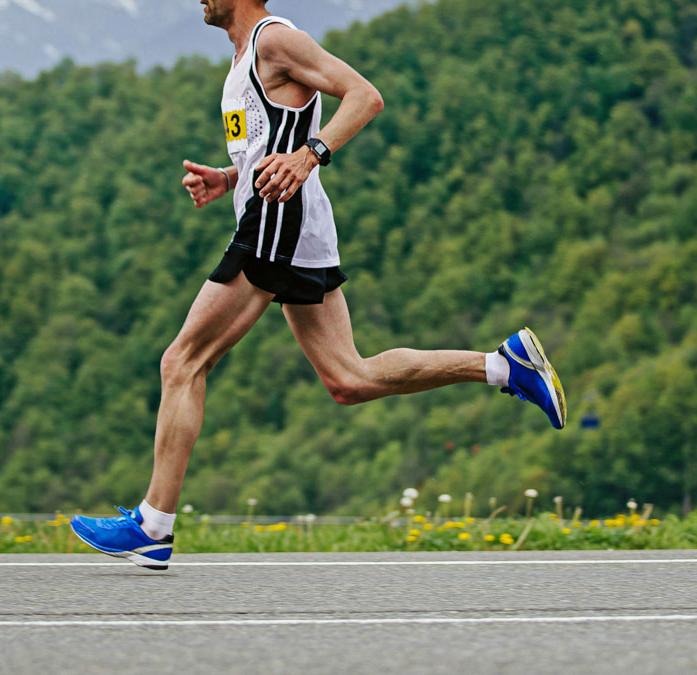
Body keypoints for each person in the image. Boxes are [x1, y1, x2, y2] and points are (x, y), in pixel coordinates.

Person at [70, 0, 565, 570]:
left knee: (182, 361)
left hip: (277, 219)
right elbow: (269, 137)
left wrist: (312, 155)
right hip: (292, 223)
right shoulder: (244, 57)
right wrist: (228, 176)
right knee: (348, 379)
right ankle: (505, 366)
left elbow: (364, 96)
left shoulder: (275, 40)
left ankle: (153, 525)